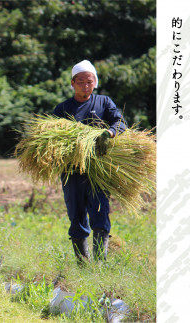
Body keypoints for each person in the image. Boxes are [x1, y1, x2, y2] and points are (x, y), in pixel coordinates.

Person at [53, 60, 125, 263]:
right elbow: (51, 137)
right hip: (72, 171)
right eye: (81, 82)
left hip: (99, 170)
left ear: (95, 83)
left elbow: (119, 121)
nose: (86, 85)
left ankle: (100, 262)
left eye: (89, 81)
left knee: (100, 212)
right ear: (73, 83)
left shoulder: (104, 102)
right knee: (76, 215)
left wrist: (109, 133)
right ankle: (82, 263)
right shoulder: (63, 109)